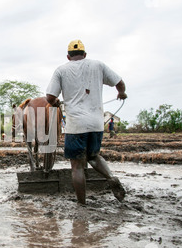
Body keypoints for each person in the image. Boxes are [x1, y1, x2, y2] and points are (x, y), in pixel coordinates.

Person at [46, 39, 127, 204]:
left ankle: (82, 204)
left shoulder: (61, 70)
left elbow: (50, 97)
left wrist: (55, 103)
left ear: (68, 57)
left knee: (76, 166)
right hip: (96, 123)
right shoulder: (98, 65)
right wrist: (122, 93)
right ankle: (111, 177)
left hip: (76, 125)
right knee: (94, 156)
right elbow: (119, 83)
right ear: (84, 54)